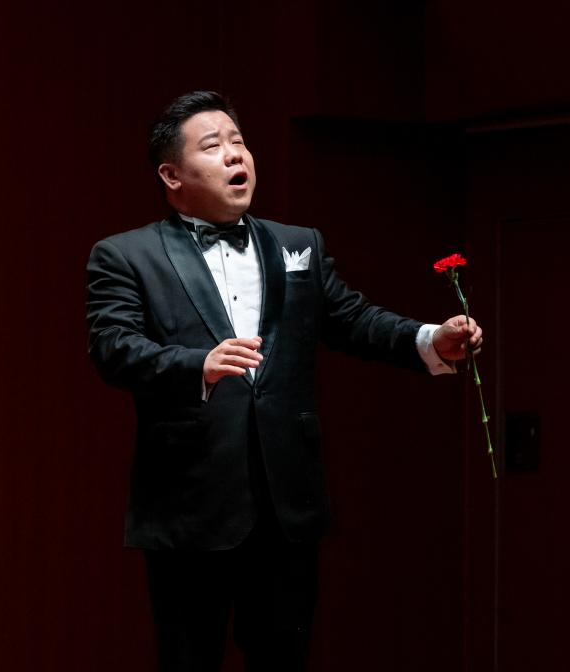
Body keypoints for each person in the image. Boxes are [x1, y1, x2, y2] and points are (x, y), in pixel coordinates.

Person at [85, 91, 482, 672]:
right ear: (171, 175)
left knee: (283, 657)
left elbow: (352, 320)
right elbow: (113, 348)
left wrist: (429, 339)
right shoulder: (125, 255)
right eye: (212, 145)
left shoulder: (298, 243)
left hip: (285, 500)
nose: (233, 154)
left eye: (239, 141)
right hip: (190, 502)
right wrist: (194, 364)